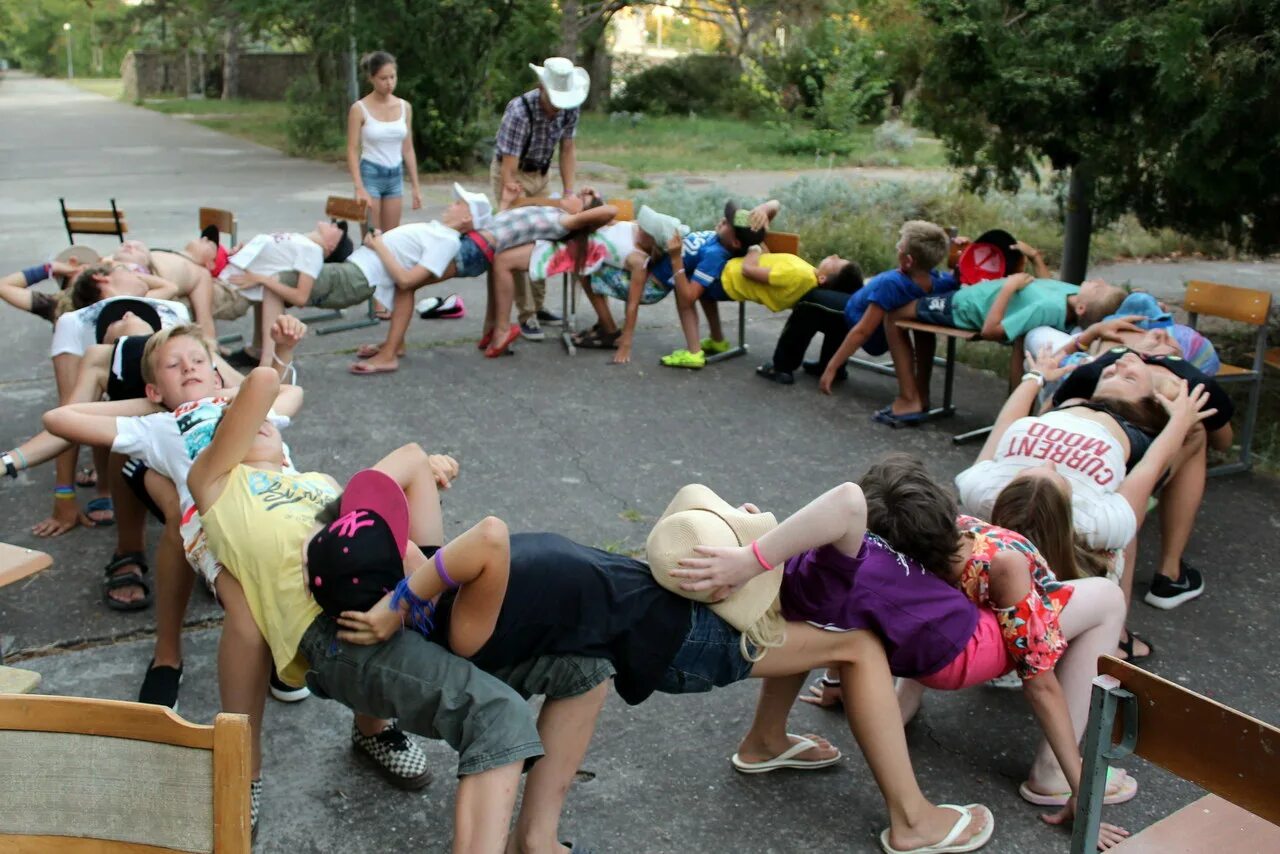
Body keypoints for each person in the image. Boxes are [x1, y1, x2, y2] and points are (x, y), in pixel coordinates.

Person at [336, 478, 996, 853]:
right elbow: (487, 534)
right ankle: (913, 820)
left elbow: (404, 487)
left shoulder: (434, 584)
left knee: (585, 676)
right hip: (689, 636)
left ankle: (540, 837)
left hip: (652, 610)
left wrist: (401, 582)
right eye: (403, 561)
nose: (415, 553)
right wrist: (400, 599)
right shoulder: (457, 615)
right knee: (858, 645)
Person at [672, 457, 1133, 849]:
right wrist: (1083, 791)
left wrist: (834, 682)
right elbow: (1041, 683)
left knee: (844, 620)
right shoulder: (995, 556)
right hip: (969, 652)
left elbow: (833, 625)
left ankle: (769, 740)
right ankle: (1052, 774)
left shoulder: (795, 576)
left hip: (910, 651)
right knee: (1105, 598)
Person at [1050, 347, 1234, 611]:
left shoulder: (1099, 367)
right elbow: (1225, 442)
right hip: (1104, 496)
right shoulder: (1191, 381)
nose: (1157, 336)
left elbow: (1048, 412)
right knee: (1195, 435)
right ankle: (1169, 574)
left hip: (1051, 473)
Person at [879, 273, 1128, 423]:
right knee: (914, 315)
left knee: (894, 315)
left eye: (1098, 288)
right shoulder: (1073, 293)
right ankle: (918, 394)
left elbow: (990, 330)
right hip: (977, 294)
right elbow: (1045, 284)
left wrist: (1009, 286)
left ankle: (909, 398)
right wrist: (1035, 259)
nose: (1098, 280)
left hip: (967, 306)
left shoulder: (1048, 309)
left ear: (1082, 309)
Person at [756, 220, 952, 391]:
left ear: (908, 261)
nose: (897, 247)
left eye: (900, 246)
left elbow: (862, 331)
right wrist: (958, 257)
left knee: (811, 302)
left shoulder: (892, 283)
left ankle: (781, 367)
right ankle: (826, 365)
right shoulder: (934, 278)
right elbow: (956, 280)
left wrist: (833, 367)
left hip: (863, 320)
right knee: (834, 305)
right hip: (862, 314)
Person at [492, 57, 590, 339]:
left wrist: (569, 192)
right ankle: (526, 314)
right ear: (541, 87)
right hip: (513, 173)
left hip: (542, 174)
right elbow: (509, 167)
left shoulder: (570, 107)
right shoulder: (519, 111)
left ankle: (538, 304)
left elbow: (568, 149)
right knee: (520, 235)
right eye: (554, 98)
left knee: (546, 235)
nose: (559, 105)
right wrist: (513, 198)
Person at [659, 200, 780, 370]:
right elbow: (775, 204)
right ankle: (717, 340)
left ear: (736, 243)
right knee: (695, 279)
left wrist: (676, 259)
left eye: (727, 223)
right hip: (716, 279)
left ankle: (694, 353)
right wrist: (764, 209)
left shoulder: (715, 254)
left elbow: (689, 297)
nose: (723, 220)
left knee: (684, 287)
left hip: (720, 286)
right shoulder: (744, 235)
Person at [347, 50, 422, 319]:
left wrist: (415, 186)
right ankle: (375, 298)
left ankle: (390, 295)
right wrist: (359, 186)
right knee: (372, 238)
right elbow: (352, 150)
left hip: (394, 176)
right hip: (370, 174)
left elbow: (408, 148)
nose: (389, 83)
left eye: (392, 77)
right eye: (383, 78)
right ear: (371, 78)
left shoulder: (405, 107)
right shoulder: (360, 108)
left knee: (392, 241)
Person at [217, 221, 353, 367]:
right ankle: (250, 352)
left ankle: (216, 356)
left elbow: (301, 297)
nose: (333, 224)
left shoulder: (313, 251)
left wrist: (260, 278)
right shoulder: (302, 241)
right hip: (224, 276)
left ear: (332, 246)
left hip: (230, 291)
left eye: (336, 228)